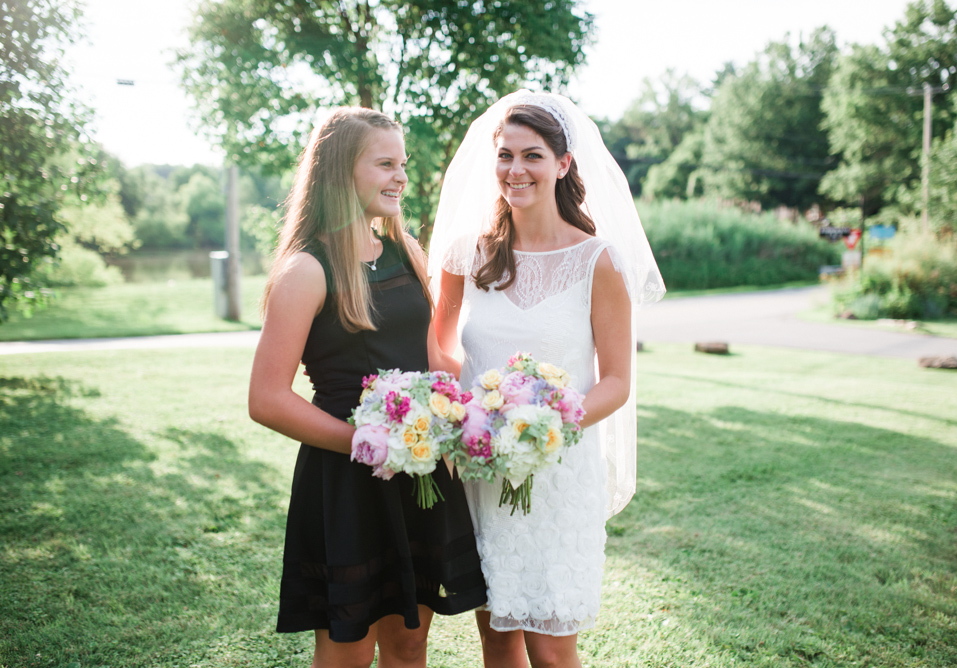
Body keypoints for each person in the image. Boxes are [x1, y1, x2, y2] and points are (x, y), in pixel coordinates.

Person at [429, 91, 665, 667]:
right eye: (505, 155)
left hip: (559, 469)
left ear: (563, 164)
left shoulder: (599, 262)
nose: (515, 170)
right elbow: (437, 344)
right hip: (484, 466)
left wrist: (543, 424)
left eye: (532, 155)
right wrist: (481, 413)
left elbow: (614, 381)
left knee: (554, 649)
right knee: (499, 637)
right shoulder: (468, 254)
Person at [248, 107, 487, 668]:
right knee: (347, 649)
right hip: (347, 482)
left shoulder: (406, 251)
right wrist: (368, 443)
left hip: (422, 473)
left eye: (402, 163)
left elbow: (436, 355)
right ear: (339, 173)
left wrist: (459, 409)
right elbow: (266, 400)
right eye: (385, 164)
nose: (400, 176)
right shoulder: (306, 271)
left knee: (409, 643)